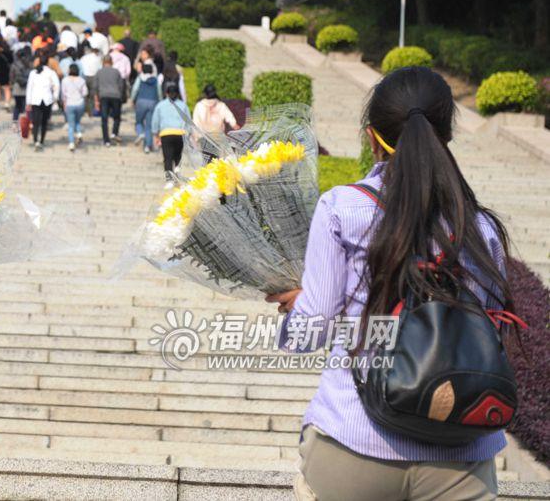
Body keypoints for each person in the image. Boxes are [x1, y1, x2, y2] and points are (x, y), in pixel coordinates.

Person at [266, 67, 514, 501]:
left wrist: (295, 311)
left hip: (354, 445)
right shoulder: (481, 228)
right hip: (462, 458)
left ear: (371, 137)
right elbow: (491, 336)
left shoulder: (342, 208)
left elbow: (311, 331)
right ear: (447, 137)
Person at [151, 83, 191, 186]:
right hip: (180, 133)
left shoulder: (160, 105)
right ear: (177, 94)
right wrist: (189, 134)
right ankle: (177, 169)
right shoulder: (183, 105)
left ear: (166, 93)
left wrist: (155, 134)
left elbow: (155, 120)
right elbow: (188, 121)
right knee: (178, 155)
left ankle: (169, 180)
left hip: (166, 133)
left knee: (167, 158)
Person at [192, 84, 238, 162]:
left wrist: (195, 137)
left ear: (205, 94)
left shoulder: (199, 105)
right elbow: (229, 117)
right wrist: (235, 125)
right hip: (218, 136)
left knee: (207, 161)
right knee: (217, 161)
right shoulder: (221, 104)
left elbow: (196, 122)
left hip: (204, 137)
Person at [25, 54, 60, 150]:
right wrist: (55, 98)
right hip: (47, 99)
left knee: (35, 121)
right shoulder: (51, 72)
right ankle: (41, 140)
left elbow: (29, 87)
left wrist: (28, 102)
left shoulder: (33, 73)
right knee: (44, 121)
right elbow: (57, 85)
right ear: (48, 62)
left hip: (35, 99)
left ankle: (35, 140)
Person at [131, 62, 162, 154]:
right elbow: (159, 91)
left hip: (141, 101)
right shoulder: (155, 79)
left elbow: (135, 89)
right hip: (152, 102)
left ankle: (141, 133)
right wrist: (160, 101)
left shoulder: (140, 78)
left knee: (139, 122)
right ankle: (147, 146)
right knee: (149, 125)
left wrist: (132, 99)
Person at [97, 55, 126, 146]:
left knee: (104, 118)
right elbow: (121, 85)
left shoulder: (99, 72)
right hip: (115, 95)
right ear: (111, 62)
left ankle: (106, 140)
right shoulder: (116, 72)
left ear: (103, 62)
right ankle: (114, 133)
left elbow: (95, 86)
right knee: (117, 117)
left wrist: (96, 100)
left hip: (103, 96)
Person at [61, 63, 88, 151]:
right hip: (79, 103)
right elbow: (85, 93)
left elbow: (63, 94)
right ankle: (79, 133)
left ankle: (71, 143)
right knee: (77, 121)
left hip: (69, 103)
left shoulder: (65, 80)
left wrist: (63, 103)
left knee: (71, 124)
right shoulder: (81, 80)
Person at [78, 46, 103, 114]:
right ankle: (92, 109)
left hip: (84, 76)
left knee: (85, 94)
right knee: (93, 94)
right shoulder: (97, 58)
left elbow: (80, 67)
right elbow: (100, 68)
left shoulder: (84, 57)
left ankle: (86, 108)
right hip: (94, 77)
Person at [9, 49, 31, 122]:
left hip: (17, 87)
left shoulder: (14, 65)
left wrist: (11, 85)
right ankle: (27, 122)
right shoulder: (28, 64)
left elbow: (11, 77)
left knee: (17, 106)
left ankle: (15, 121)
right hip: (26, 86)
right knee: (26, 106)